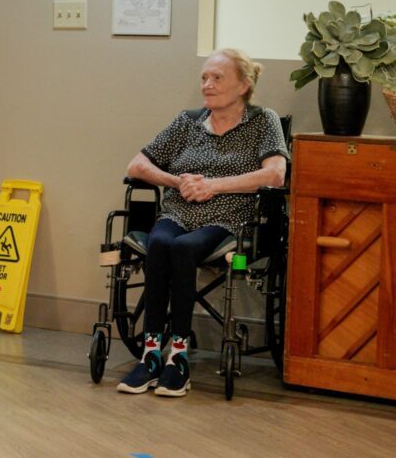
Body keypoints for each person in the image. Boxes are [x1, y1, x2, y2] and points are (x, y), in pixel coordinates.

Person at [116, 48, 288, 398]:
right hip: (178, 211)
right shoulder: (188, 121)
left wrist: (213, 185)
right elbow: (137, 165)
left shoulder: (263, 121)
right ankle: (151, 353)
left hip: (228, 218)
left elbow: (275, 174)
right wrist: (178, 181)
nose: (207, 85)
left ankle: (178, 356)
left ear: (243, 85)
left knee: (183, 248)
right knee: (159, 242)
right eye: (204, 78)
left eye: (217, 78)